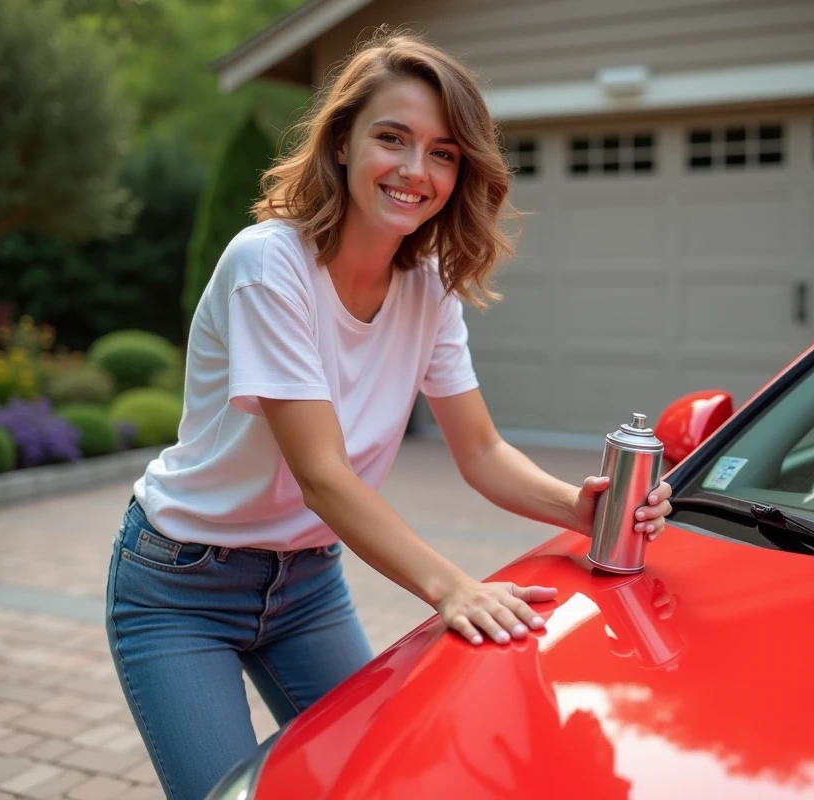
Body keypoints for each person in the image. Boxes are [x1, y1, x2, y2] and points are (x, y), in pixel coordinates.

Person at [104, 29, 673, 800]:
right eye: (393, 139)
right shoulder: (268, 266)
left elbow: (478, 449)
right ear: (342, 143)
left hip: (306, 584)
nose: (416, 170)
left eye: (442, 151)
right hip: (182, 585)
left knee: (375, 780)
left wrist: (579, 508)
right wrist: (452, 588)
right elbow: (324, 477)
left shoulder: (429, 283)